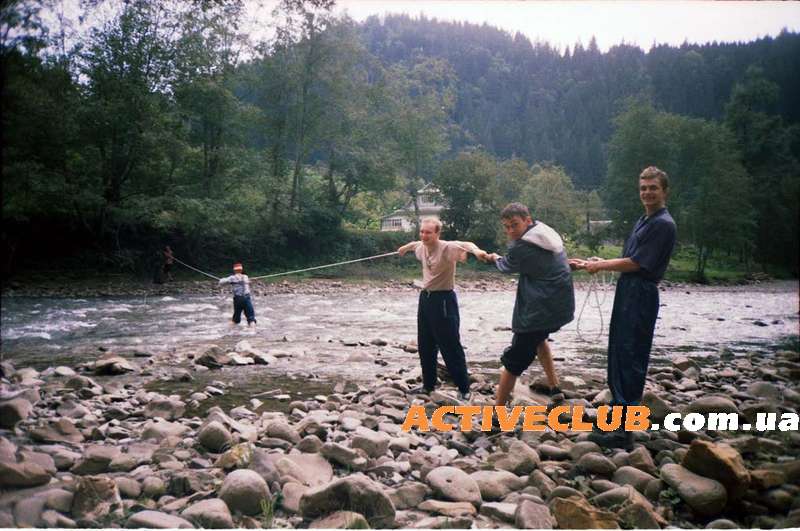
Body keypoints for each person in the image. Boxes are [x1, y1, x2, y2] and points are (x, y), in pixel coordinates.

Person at [570, 166, 677, 449]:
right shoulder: (644, 219)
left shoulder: (663, 224)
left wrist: (598, 265)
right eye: (643, 188)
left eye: (653, 188)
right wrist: (595, 261)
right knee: (618, 355)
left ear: (664, 191)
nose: (647, 193)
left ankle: (623, 432)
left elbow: (637, 263)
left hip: (641, 293)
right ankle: (615, 421)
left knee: (630, 359)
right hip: (628, 290)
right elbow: (629, 257)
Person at [484, 203, 575, 409]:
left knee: (514, 359)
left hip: (540, 309)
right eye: (506, 227)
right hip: (560, 305)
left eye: (514, 225)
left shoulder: (522, 247)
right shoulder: (546, 232)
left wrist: (492, 258)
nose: (510, 231)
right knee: (540, 339)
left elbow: (506, 266)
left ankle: (496, 413)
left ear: (528, 219)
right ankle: (554, 388)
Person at [397, 218, 488, 401]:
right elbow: (415, 244)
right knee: (425, 345)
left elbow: (467, 244)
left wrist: (477, 251)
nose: (424, 235)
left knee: (450, 346)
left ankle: (464, 388)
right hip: (425, 299)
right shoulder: (421, 246)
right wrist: (405, 248)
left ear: (437, 234)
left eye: (428, 232)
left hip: (444, 300)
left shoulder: (447, 247)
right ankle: (428, 386)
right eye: (422, 231)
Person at [218, 263, 257, 327]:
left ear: (234, 270)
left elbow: (221, 282)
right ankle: (253, 331)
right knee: (251, 318)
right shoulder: (245, 277)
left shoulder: (232, 278)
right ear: (241, 270)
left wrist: (221, 280)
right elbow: (248, 282)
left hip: (238, 299)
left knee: (236, 319)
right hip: (247, 298)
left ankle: (230, 329)